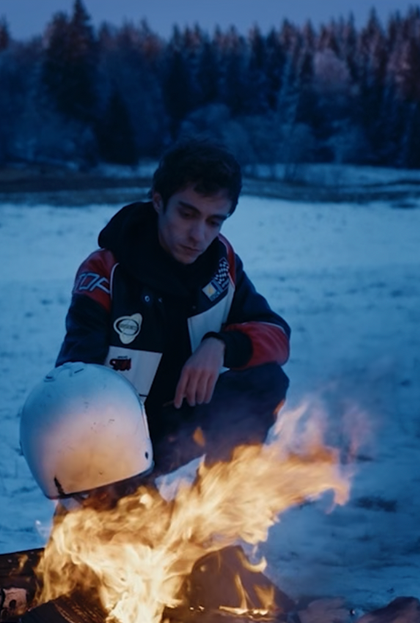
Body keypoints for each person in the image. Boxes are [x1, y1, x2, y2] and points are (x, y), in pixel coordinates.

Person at [53, 138, 290, 490]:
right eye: (187, 214)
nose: (198, 236)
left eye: (214, 222)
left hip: (181, 425)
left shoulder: (222, 266)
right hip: (114, 439)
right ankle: (120, 496)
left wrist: (221, 345)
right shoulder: (106, 271)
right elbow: (74, 377)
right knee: (118, 517)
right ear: (158, 201)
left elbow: (277, 336)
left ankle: (216, 499)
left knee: (265, 379)